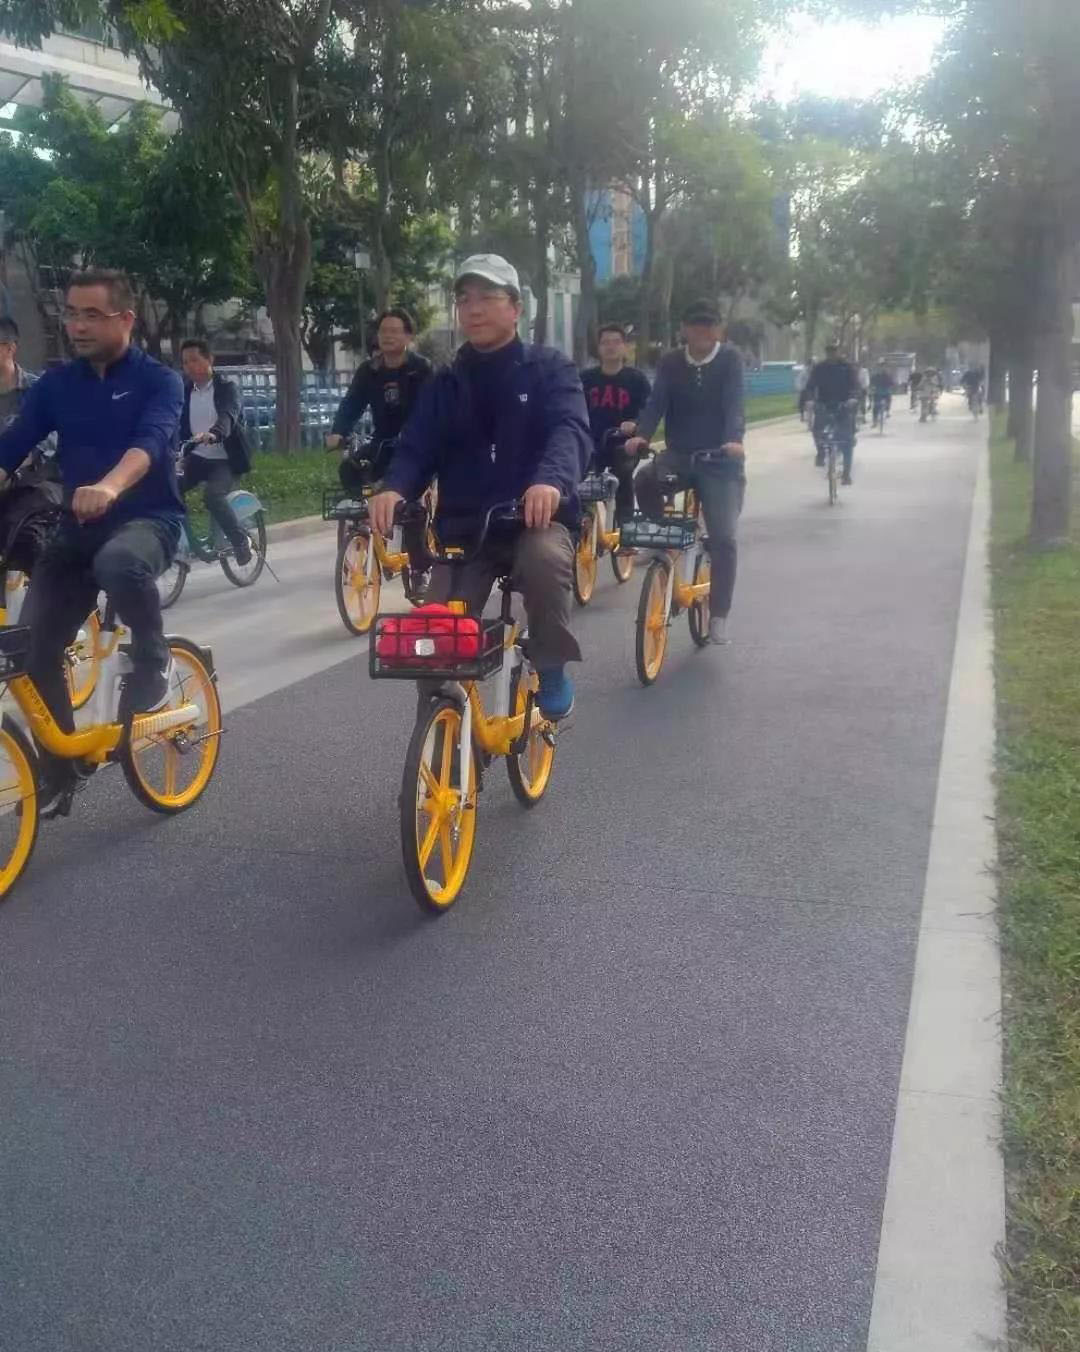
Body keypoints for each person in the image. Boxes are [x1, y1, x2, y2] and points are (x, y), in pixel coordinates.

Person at [370, 254, 590, 720]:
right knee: (431, 640)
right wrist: (394, 488)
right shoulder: (446, 381)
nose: (473, 309)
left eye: (487, 298)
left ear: (516, 309)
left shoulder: (550, 369)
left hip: (535, 522)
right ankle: (442, 733)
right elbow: (416, 445)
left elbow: (569, 430)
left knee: (546, 561)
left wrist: (550, 482)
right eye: (464, 299)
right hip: (465, 531)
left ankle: (551, 667)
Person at [0, 268, 184, 814]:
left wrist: (109, 485)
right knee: (31, 653)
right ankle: (61, 767)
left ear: (126, 319)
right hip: (75, 530)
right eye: (71, 313)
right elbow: (10, 451)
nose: (76, 325)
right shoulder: (57, 386)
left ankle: (151, 660)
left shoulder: (160, 381)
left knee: (121, 562)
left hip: (148, 520)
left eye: (91, 315)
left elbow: (148, 444)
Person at [625, 300, 746, 646]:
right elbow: (656, 403)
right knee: (645, 479)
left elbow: (734, 403)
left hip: (720, 459)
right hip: (680, 454)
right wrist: (642, 436)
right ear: (684, 329)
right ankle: (662, 540)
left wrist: (734, 440)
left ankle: (719, 615)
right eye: (695, 325)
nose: (702, 331)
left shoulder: (730, 360)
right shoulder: (670, 362)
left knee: (723, 538)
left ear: (718, 330)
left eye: (709, 326)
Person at [326, 308, 432, 488]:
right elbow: (352, 403)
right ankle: (367, 513)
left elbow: (430, 410)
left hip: (416, 442)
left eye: (394, 331)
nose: (387, 336)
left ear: (408, 336)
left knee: (405, 478)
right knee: (350, 469)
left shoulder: (421, 368)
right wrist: (339, 431)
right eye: (383, 331)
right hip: (382, 441)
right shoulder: (368, 370)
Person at [178, 339, 252, 565]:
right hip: (197, 457)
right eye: (185, 362)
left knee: (212, 495)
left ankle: (240, 541)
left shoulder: (226, 388)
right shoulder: (184, 391)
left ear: (210, 359)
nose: (190, 366)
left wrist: (215, 433)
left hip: (226, 460)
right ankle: (179, 540)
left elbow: (228, 414)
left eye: (194, 360)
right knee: (167, 487)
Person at [0, 316, 62, 574]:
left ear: (9, 348)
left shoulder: (38, 390)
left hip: (35, 487)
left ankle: (54, 606)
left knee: (25, 544)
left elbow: (45, 440)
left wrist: (11, 467)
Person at [579, 323, 651, 525]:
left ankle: (626, 528)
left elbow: (648, 411)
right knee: (583, 482)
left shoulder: (636, 380)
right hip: (592, 441)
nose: (610, 347)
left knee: (622, 477)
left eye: (616, 342)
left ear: (625, 346)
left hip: (623, 444)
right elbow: (573, 408)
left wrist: (635, 424)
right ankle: (583, 527)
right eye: (605, 343)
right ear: (598, 348)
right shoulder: (585, 379)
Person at [803, 340, 860, 483]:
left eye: (834, 350)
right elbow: (810, 386)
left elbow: (855, 386)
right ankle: (821, 453)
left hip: (844, 405)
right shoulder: (819, 368)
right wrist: (810, 400)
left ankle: (846, 474)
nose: (832, 353)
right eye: (829, 351)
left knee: (846, 440)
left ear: (839, 351)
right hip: (824, 404)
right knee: (817, 430)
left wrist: (852, 398)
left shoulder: (847, 367)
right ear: (826, 352)